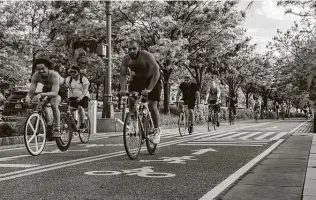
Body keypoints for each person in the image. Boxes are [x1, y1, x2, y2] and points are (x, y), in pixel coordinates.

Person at [119, 40, 162, 144]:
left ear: (139, 49)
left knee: (152, 105)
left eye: (134, 48)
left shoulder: (146, 56)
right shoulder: (126, 59)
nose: (131, 51)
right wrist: (123, 89)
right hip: (138, 81)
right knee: (131, 98)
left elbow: (156, 71)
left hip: (152, 79)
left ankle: (156, 130)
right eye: (129, 49)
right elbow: (122, 75)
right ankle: (134, 123)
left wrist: (149, 89)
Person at [25, 58, 67, 138]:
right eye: (38, 69)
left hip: (60, 88)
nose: (40, 71)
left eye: (43, 69)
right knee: (40, 103)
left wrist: (41, 94)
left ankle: (57, 129)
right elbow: (31, 91)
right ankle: (49, 123)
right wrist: (28, 96)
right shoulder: (35, 76)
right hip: (48, 88)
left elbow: (54, 93)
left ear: (47, 68)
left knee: (54, 103)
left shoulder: (54, 75)